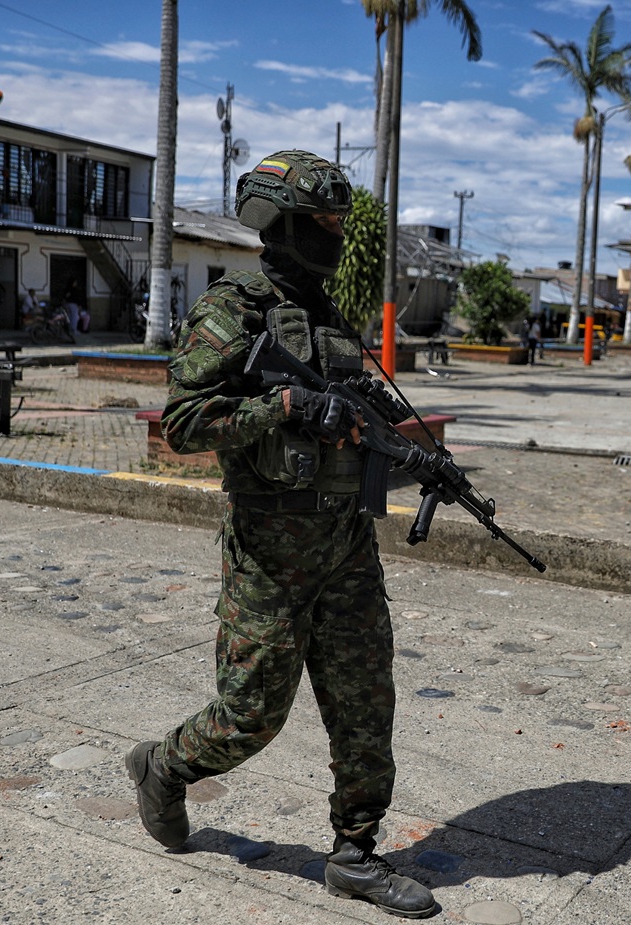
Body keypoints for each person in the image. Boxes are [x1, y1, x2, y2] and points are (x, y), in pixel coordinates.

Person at [125, 149, 437, 919]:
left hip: (346, 547)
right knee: (251, 714)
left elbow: (347, 417)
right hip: (269, 553)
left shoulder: (330, 317)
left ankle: (356, 851)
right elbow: (185, 423)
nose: (335, 232)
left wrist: (386, 431)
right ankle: (163, 767)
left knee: (367, 700)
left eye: (338, 220)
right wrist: (288, 410)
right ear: (283, 225)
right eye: (323, 221)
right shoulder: (232, 311)